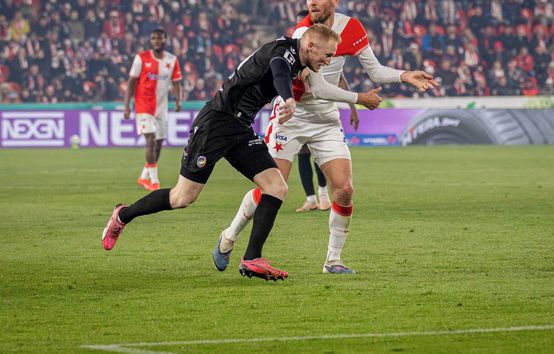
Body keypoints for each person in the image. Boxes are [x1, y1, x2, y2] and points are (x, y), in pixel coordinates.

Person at [101, 24, 383, 281]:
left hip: (240, 128)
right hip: (215, 124)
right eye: (327, 54)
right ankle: (123, 215)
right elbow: (279, 70)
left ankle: (252, 258)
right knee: (181, 198)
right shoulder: (283, 54)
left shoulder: (299, 57)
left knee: (276, 187)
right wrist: (287, 98)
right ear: (310, 46)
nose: (329, 60)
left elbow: (304, 81)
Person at [213, 0, 437, 274]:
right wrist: (359, 99)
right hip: (292, 116)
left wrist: (405, 75)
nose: (312, 2)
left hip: (326, 119)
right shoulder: (304, 33)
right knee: (271, 187)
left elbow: (375, 71)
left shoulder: (351, 27)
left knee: (344, 189)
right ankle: (229, 235)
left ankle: (333, 260)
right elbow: (316, 88)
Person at [124, 27, 182, 191]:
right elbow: (131, 83)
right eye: (154, 38)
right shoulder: (141, 58)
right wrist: (127, 105)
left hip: (161, 108)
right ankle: (154, 182)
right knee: (150, 139)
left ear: (165, 40)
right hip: (143, 106)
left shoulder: (172, 60)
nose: (157, 41)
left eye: (160, 38)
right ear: (151, 41)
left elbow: (176, 82)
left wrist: (178, 100)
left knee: (158, 143)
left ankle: (144, 177)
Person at [296, 74, 359, 212]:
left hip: (319, 111)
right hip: (303, 111)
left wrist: (353, 108)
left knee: (316, 153)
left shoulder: (324, 63)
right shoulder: (304, 61)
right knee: (305, 153)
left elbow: (341, 79)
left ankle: (321, 196)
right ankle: (314, 199)